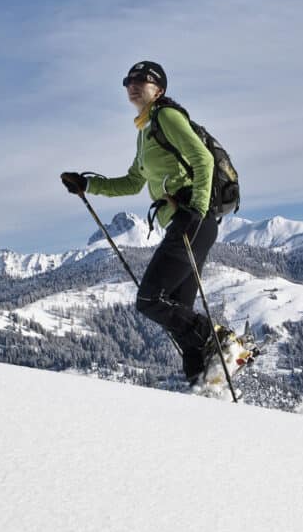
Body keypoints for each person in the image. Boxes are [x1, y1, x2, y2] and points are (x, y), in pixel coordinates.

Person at [61, 60, 221, 384]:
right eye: (128, 80)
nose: (133, 85)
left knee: (150, 300)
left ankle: (216, 338)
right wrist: (88, 185)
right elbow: (133, 183)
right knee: (177, 311)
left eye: (143, 80)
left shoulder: (167, 116)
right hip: (188, 221)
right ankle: (203, 379)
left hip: (192, 220)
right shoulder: (145, 132)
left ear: (158, 89)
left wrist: (197, 210)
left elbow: (203, 159)